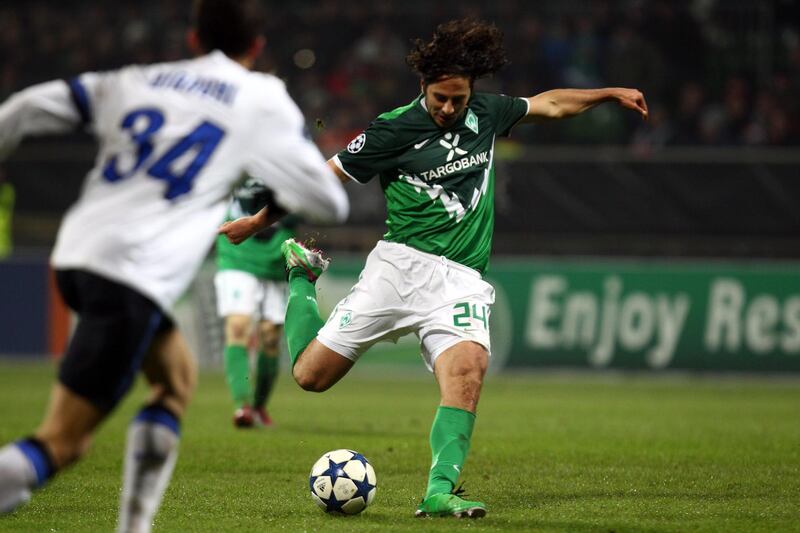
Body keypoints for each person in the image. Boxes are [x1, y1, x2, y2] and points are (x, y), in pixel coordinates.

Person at [220, 18, 647, 519]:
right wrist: (257, 220)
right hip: (398, 270)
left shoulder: (487, 113)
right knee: (311, 377)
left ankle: (440, 491)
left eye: (458, 100)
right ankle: (300, 276)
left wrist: (609, 92)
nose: (448, 108)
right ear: (423, 86)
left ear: (472, 93)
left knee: (468, 372)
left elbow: (550, 104)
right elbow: (322, 178)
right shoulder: (392, 129)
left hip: (461, 279)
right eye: (440, 98)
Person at [0, 0, 348, 530]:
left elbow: (24, 109)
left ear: (192, 40)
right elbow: (331, 203)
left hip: (74, 255)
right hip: (130, 274)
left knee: (175, 378)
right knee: (63, 441)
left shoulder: (140, 79)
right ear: (255, 48)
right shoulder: (260, 97)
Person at [215, 178, 299, 428]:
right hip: (237, 257)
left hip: (274, 259)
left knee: (270, 338)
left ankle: (260, 405)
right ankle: (242, 405)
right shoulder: (235, 150)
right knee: (239, 327)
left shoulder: (291, 156)